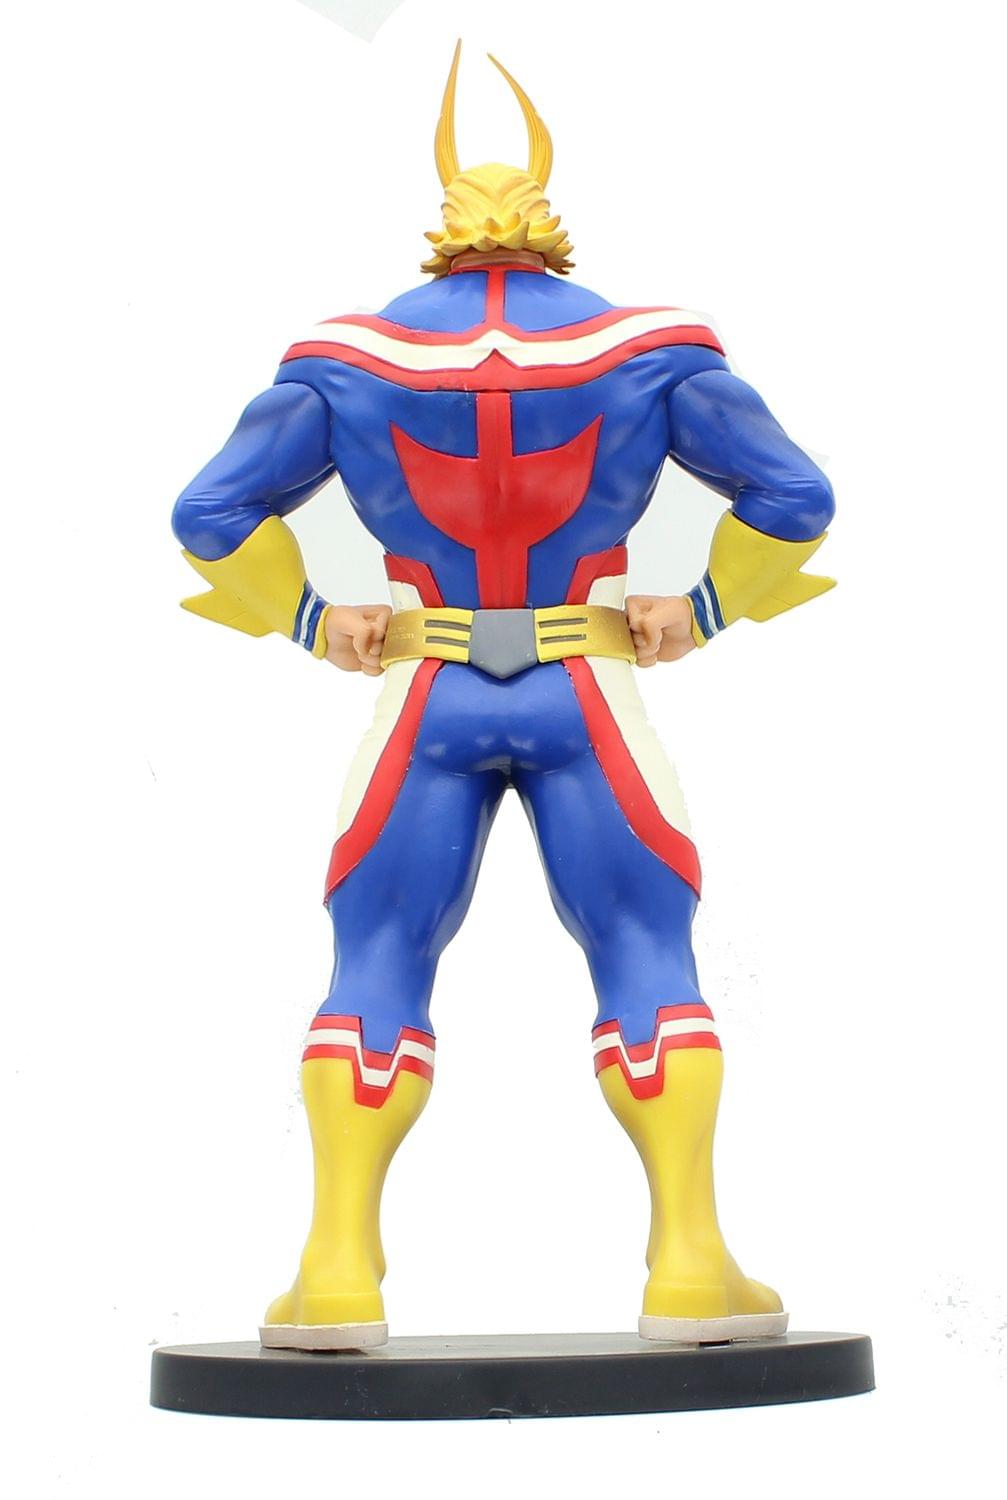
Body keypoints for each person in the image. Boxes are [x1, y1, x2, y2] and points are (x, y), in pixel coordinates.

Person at [173, 44, 835, 1351]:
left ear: (446, 229)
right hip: (583, 677)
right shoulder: (644, 352)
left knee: (375, 955)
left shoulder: (349, 360)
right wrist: (701, 606)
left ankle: (337, 1271)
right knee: (646, 949)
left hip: (425, 685)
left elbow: (208, 513)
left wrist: (315, 619)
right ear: (546, 223)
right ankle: (688, 1261)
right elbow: (797, 496)